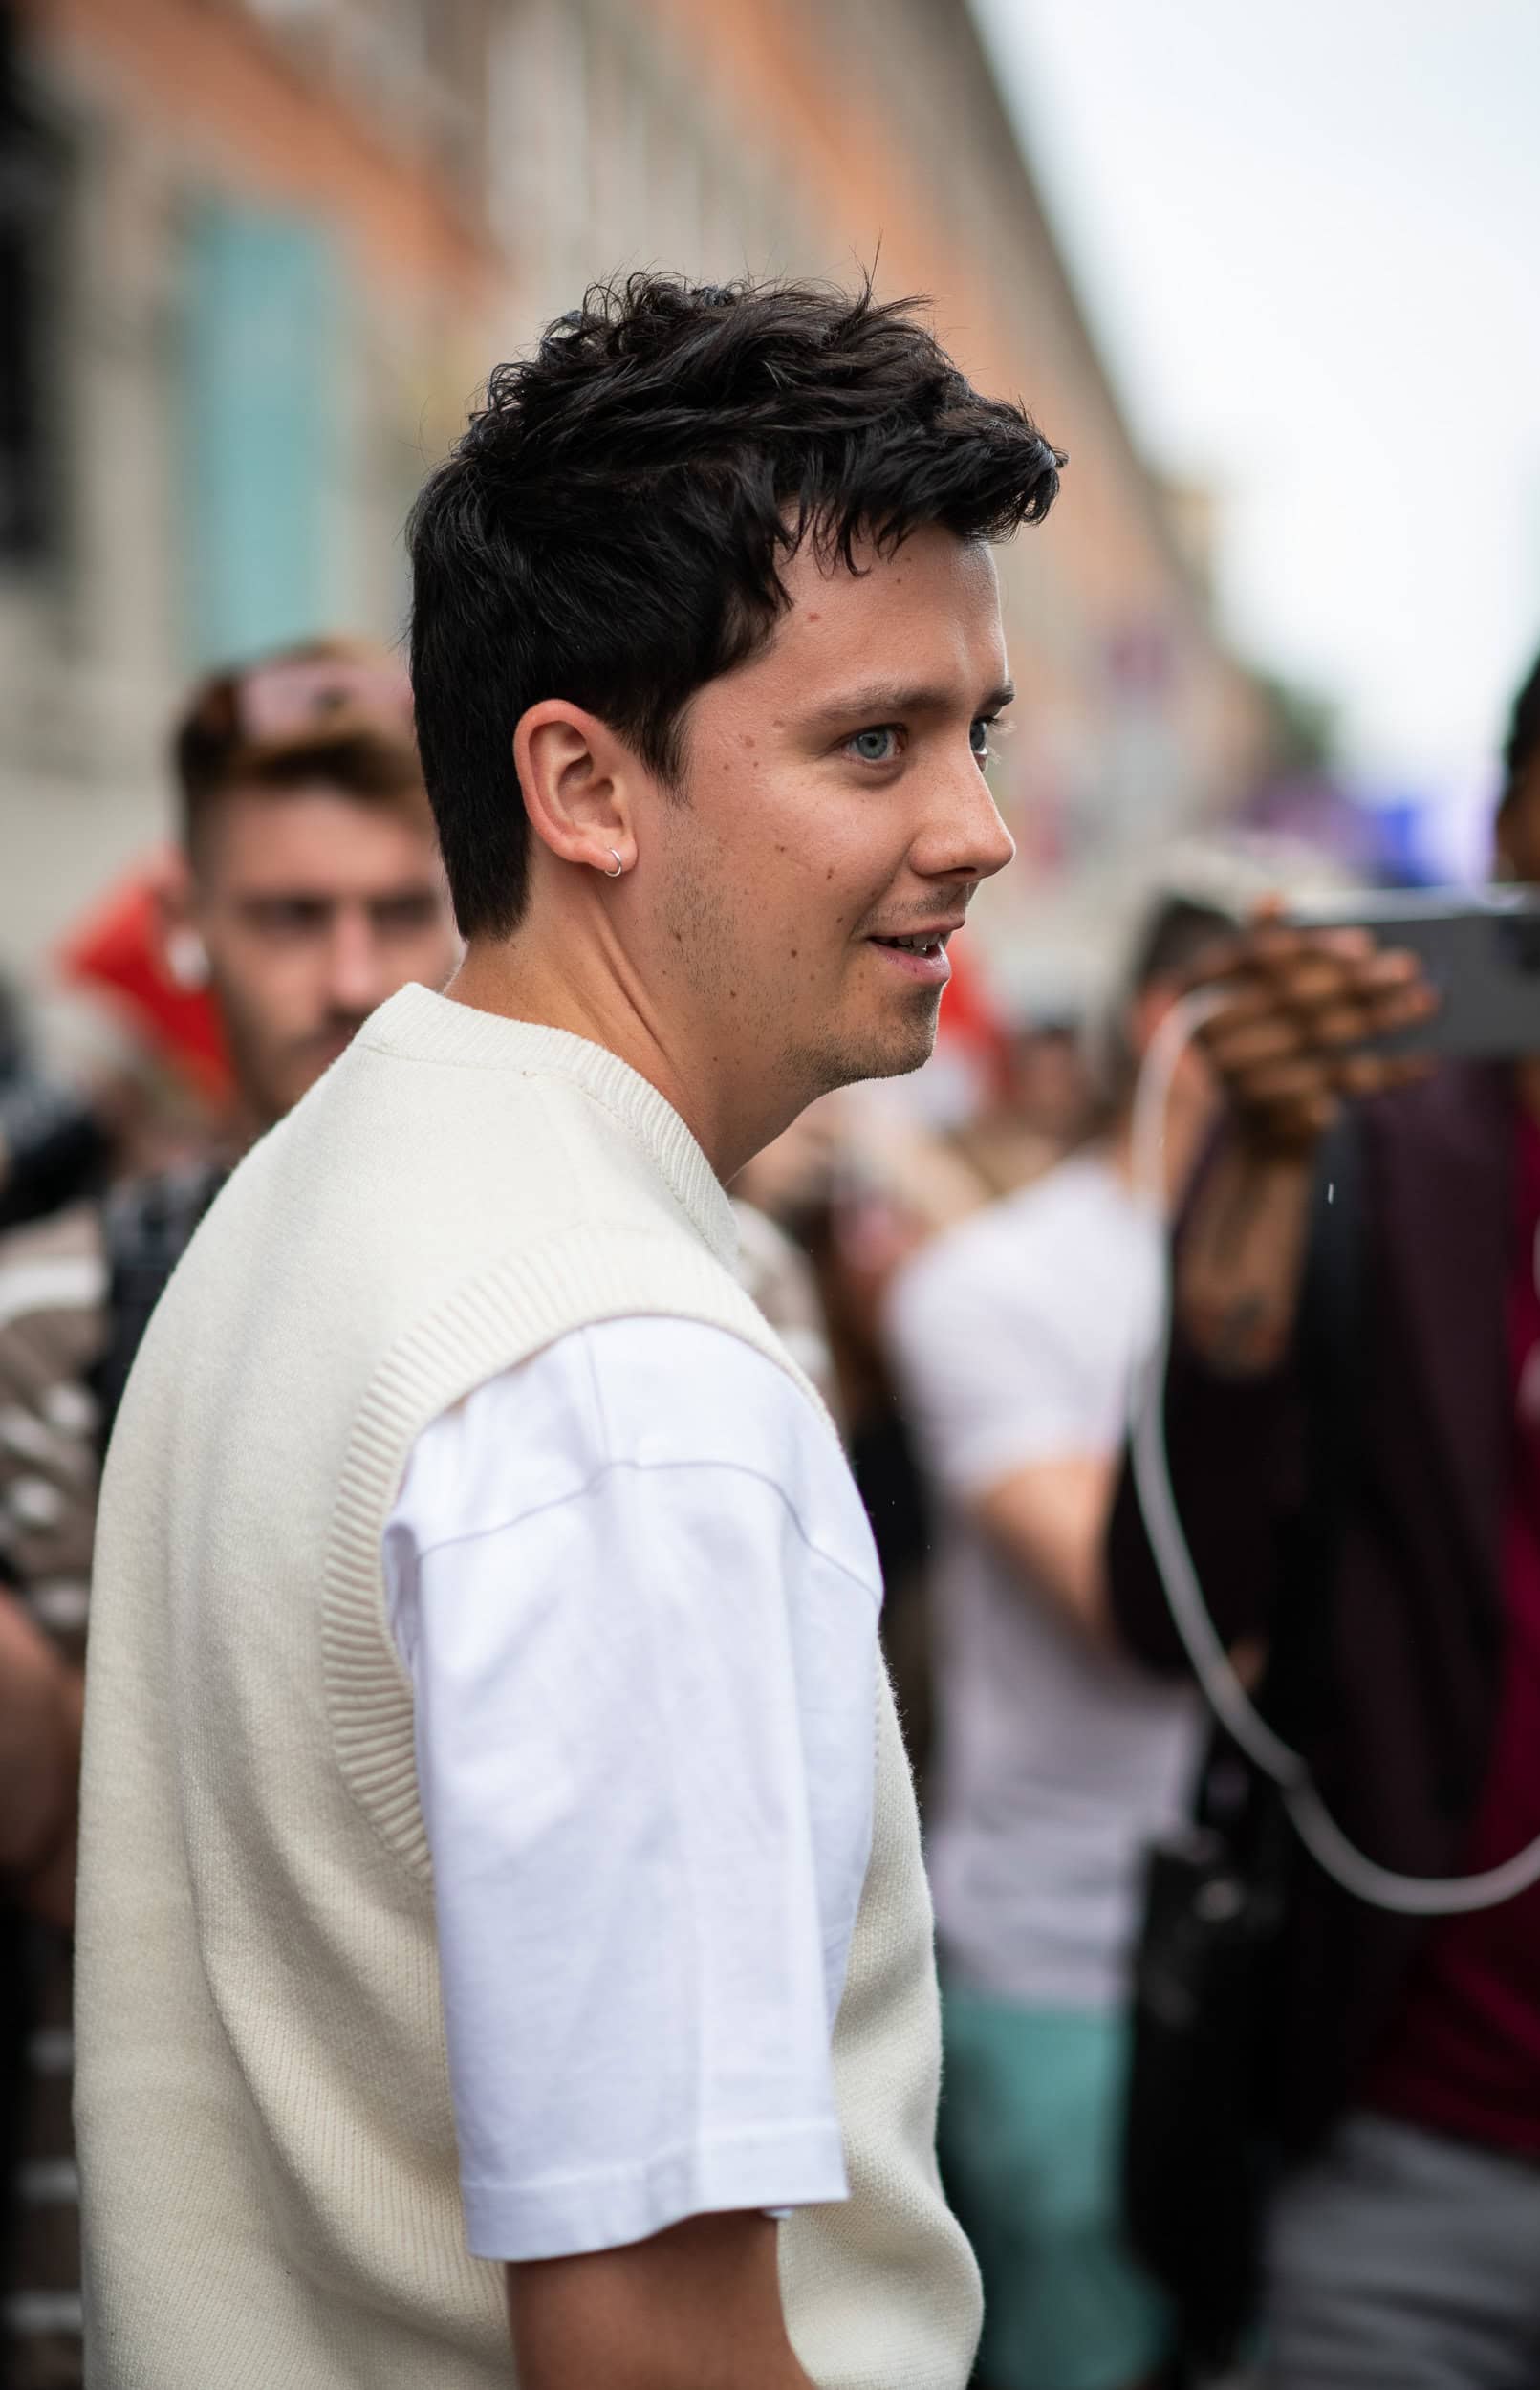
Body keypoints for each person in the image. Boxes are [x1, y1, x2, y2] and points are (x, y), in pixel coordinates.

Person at [73, 274, 1060, 2390]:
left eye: (976, 731)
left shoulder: (333, 1180)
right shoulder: (622, 1386)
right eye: (872, 740)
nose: (976, 829)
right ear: (585, 786)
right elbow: (656, 2349)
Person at [1109, 603, 1540, 2388]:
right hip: (1399, 2154)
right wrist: (1266, 1165)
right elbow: (1169, 1595)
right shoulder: (1361, 1133)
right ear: (1508, 831)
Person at [0, 637, 455, 2387]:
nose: (352, 978)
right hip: (145, 2288)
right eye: (286, 917)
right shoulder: (56, 1309)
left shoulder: (687, 1277)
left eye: (402, 910)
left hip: (528, 2292)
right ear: (186, 925)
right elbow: (63, 1845)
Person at [885, 895, 1232, 2390]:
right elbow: (1138, 1604)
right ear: (1175, 1025)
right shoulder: (993, 1284)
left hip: (1323, 1970)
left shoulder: (1401, 1259)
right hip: (1061, 1961)